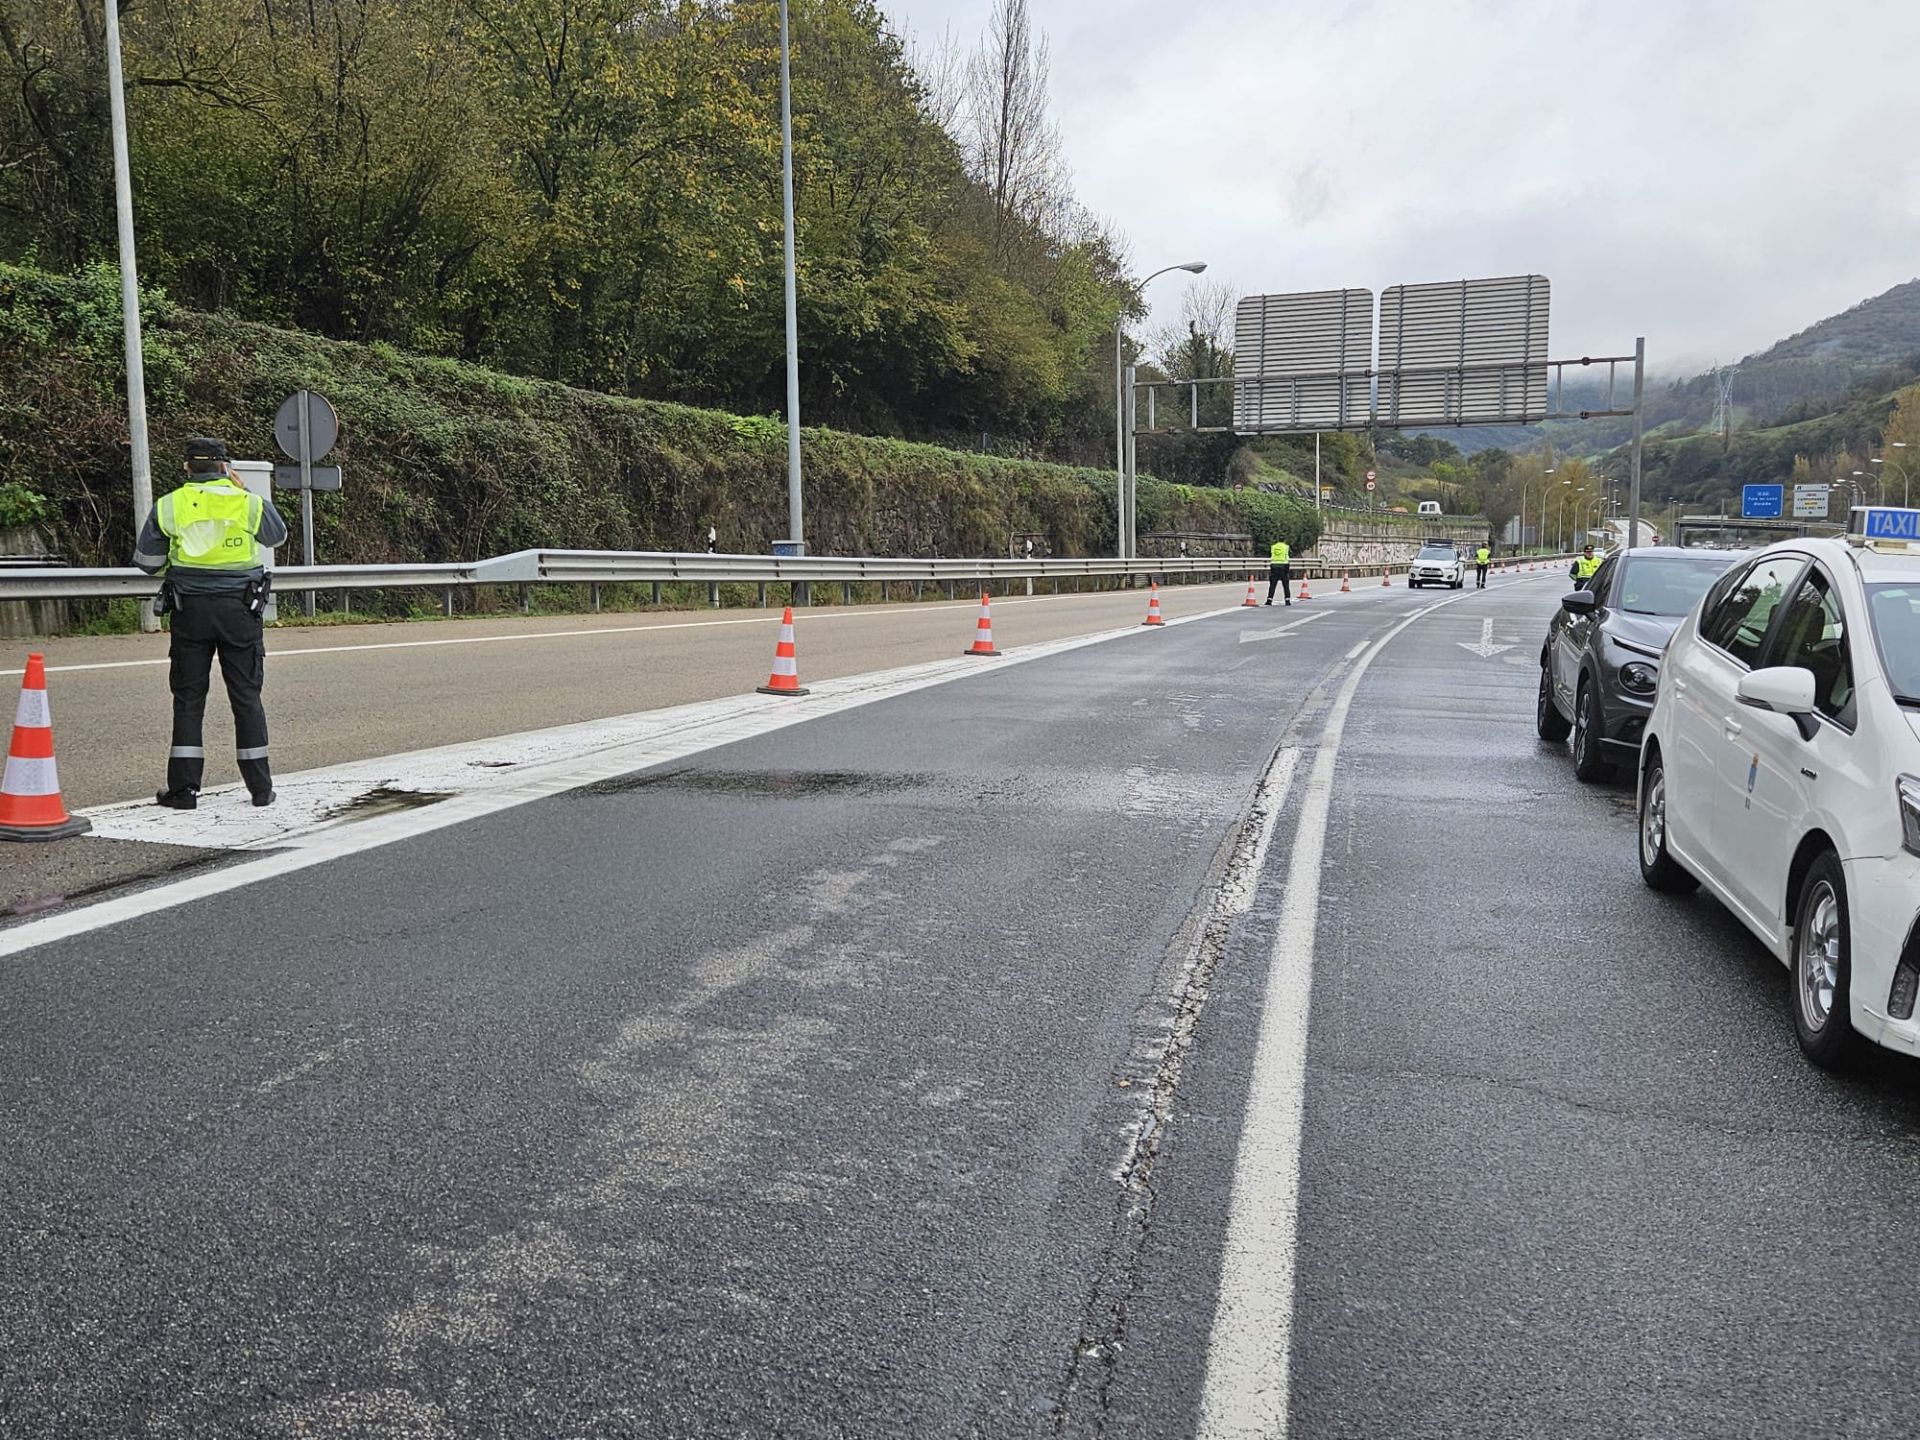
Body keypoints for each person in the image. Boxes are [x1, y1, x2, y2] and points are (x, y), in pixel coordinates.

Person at [133, 437, 290, 810]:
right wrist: (244, 490)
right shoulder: (246, 500)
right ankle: (260, 789)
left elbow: (147, 561)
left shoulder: (169, 505)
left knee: (188, 699)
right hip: (240, 609)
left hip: (191, 610)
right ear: (225, 467)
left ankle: (184, 791)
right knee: (246, 696)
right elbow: (277, 535)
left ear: (187, 468)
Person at [1265, 537, 1292, 606]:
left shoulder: (1273, 547)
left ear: (1278, 539)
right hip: (1284, 566)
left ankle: (1269, 600)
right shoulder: (1286, 547)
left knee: (1272, 585)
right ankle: (1287, 600)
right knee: (1286, 585)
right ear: (1284, 540)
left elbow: (1271, 555)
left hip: (1274, 566)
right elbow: (1287, 557)